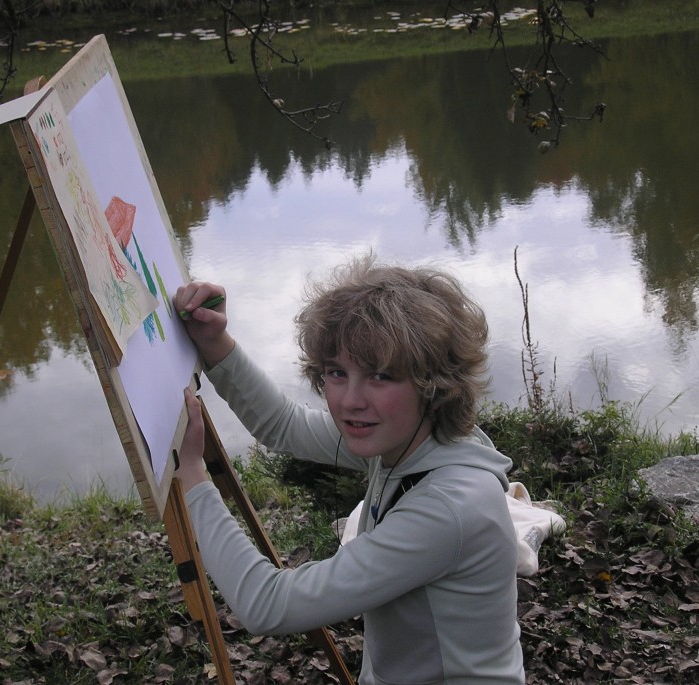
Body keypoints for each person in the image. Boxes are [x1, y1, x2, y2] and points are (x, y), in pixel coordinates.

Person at [173, 254, 525, 684]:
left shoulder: (449, 508)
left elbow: (266, 604)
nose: (350, 401)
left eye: (381, 376)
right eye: (337, 372)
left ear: (434, 384)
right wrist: (214, 343)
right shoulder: (405, 438)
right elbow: (283, 425)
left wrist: (192, 476)